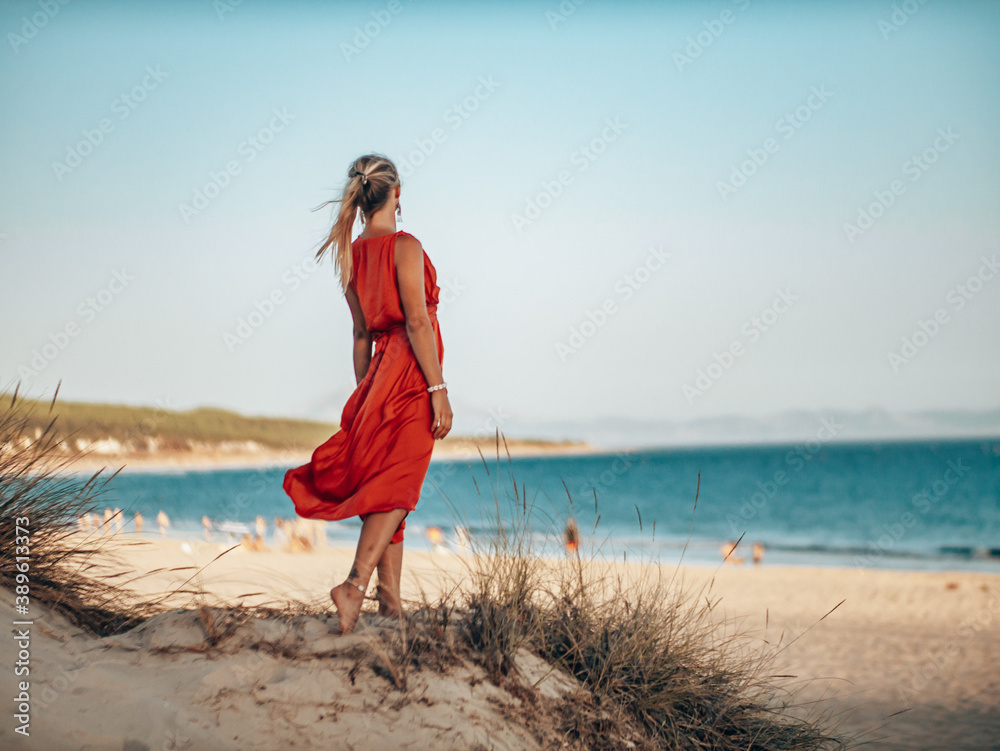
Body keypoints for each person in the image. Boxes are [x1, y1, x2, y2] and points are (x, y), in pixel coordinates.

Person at [283, 154, 453, 634]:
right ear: (396, 194)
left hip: (378, 374)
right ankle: (354, 586)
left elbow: (361, 336)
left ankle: (390, 605)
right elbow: (417, 322)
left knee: (386, 484)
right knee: (400, 486)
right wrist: (437, 389)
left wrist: (366, 395)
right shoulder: (406, 246)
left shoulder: (351, 256)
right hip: (411, 376)